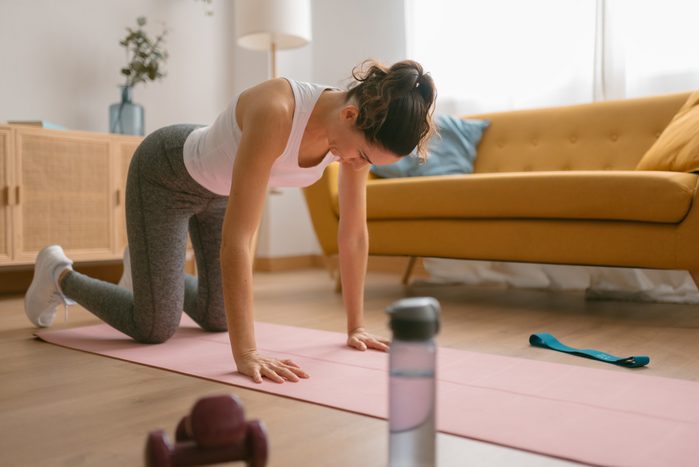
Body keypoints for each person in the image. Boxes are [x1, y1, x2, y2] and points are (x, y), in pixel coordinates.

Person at [24, 59, 437, 384]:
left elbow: (353, 234)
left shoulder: (357, 133)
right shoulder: (279, 110)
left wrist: (356, 326)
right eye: (362, 157)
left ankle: (149, 272)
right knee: (154, 327)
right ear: (349, 115)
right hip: (167, 174)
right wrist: (246, 353)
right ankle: (59, 274)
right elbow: (239, 240)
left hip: (220, 191)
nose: (356, 165)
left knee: (218, 316)